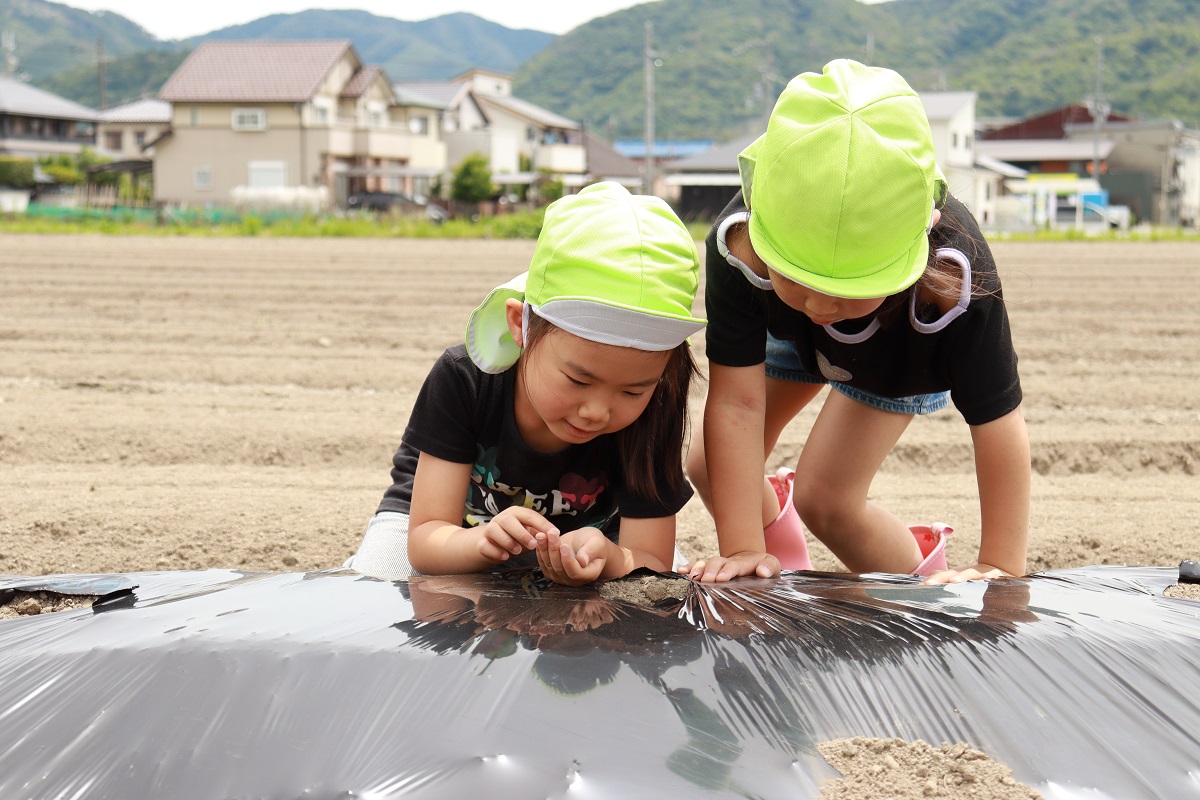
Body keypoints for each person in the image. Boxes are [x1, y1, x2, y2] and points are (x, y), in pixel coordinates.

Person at [683, 59, 1030, 584]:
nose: (820, 306)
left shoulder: (953, 281)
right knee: (710, 463)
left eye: (846, 291)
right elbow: (736, 402)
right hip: (784, 326)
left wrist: (1000, 566)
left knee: (828, 500)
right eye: (797, 276)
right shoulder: (740, 246)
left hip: (897, 342)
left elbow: (998, 420)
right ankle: (779, 556)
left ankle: (924, 584)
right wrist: (743, 548)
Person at [346, 181, 706, 586]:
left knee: (658, 588)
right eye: (577, 379)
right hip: (445, 529)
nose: (597, 411)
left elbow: (651, 557)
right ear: (521, 325)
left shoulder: (658, 401)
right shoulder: (465, 379)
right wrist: (482, 542)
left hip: (596, 538)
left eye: (633, 391)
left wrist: (610, 558)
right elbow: (428, 540)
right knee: (376, 587)